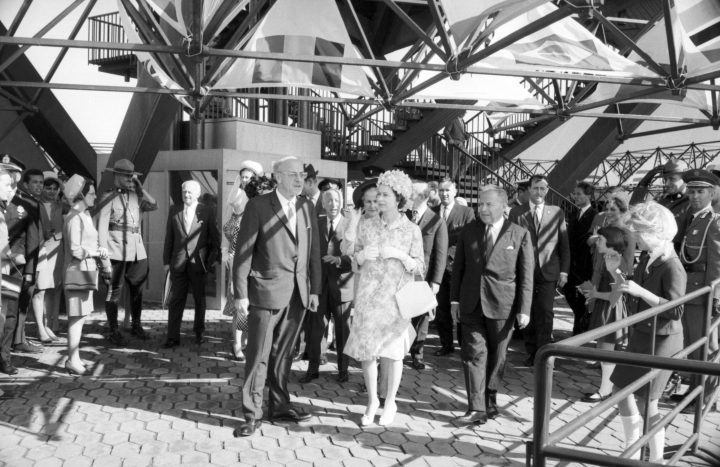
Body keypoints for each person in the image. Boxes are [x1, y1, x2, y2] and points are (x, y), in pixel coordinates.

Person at [232, 156, 321, 437]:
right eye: (293, 174)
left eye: (302, 174)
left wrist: (315, 289)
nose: (299, 179)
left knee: (284, 355)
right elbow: (243, 253)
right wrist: (240, 295)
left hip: (299, 294)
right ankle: (252, 414)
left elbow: (314, 253)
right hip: (265, 292)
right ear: (277, 176)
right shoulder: (258, 206)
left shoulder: (307, 206)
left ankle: (279, 406)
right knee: (258, 356)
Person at [344, 169, 424, 427]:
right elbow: (354, 261)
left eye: (384, 194)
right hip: (368, 298)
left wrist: (401, 256)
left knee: (392, 354)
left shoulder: (411, 230)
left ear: (398, 198)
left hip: (395, 301)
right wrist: (361, 256)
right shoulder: (366, 225)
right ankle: (372, 401)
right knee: (368, 354)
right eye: (378, 194)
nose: (379, 199)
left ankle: (390, 402)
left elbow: (419, 266)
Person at [450, 185, 533, 424]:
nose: (483, 209)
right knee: (474, 353)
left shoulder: (519, 233)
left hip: (503, 305)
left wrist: (524, 309)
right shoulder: (469, 231)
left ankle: (490, 397)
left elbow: (526, 275)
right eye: (480, 204)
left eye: (489, 204)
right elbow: (459, 269)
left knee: (498, 356)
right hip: (471, 303)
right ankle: (476, 407)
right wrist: (455, 299)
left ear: (504, 206)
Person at [612, 201, 686, 462]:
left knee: (648, 401)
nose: (635, 238)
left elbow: (676, 310)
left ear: (653, 233)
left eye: (638, 233)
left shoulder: (672, 265)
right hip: (643, 334)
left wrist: (640, 291)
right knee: (619, 388)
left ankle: (656, 459)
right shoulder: (649, 257)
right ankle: (632, 446)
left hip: (662, 338)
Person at [508, 174, 570, 366]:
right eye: (536, 188)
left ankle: (543, 353)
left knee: (545, 311)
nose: (539, 192)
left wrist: (564, 271)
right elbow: (512, 241)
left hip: (549, 271)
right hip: (525, 270)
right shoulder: (517, 212)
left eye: (543, 188)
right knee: (527, 310)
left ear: (547, 191)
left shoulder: (556, 212)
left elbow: (564, 244)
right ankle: (531, 350)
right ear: (529, 190)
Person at [97, 159, 158, 345]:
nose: (129, 178)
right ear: (116, 175)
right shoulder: (108, 196)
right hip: (116, 249)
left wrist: (140, 188)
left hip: (137, 250)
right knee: (114, 291)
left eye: (131, 175)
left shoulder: (135, 196)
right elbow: (101, 227)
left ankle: (136, 324)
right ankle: (113, 329)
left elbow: (154, 204)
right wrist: (103, 256)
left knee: (137, 289)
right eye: (126, 175)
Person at [675, 169, 720, 411]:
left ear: (711, 193)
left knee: (707, 346)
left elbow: (718, 263)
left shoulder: (714, 221)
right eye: (691, 191)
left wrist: (716, 295)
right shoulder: (695, 218)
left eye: (700, 191)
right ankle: (694, 391)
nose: (694, 196)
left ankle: (705, 400)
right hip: (691, 290)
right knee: (694, 344)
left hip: (704, 291)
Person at [301, 188, 354, 383]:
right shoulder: (316, 223)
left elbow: (358, 253)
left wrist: (340, 260)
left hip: (342, 286)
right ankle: (312, 369)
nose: (333, 204)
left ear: (342, 203)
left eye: (336, 200)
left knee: (343, 331)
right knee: (316, 329)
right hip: (320, 287)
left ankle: (343, 370)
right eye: (329, 200)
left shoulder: (351, 224)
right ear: (323, 204)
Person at [62, 175, 111, 375]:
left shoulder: (84, 215)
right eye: (91, 193)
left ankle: (73, 357)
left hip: (86, 271)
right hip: (77, 271)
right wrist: (97, 252)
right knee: (76, 317)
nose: (94, 197)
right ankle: (72, 360)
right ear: (81, 194)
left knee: (80, 317)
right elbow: (75, 249)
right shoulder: (74, 217)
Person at [580, 225, 633, 402]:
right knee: (605, 348)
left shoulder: (613, 260)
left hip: (610, 309)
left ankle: (605, 390)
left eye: (600, 239)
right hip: (607, 307)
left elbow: (617, 294)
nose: (597, 242)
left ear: (611, 242)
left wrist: (595, 294)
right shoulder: (609, 257)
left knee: (606, 349)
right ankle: (606, 388)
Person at [163, 180, 220, 347]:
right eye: (184, 192)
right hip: (178, 262)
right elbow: (169, 238)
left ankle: (199, 332)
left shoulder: (207, 211)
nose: (186, 195)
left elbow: (214, 238)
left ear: (197, 194)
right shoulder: (174, 210)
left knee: (199, 299)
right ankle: (173, 336)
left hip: (198, 263)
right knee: (176, 299)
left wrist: (211, 261)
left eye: (189, 192)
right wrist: (166, 262)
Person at [222, 161, 264, 361]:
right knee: (239, 301)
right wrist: (227, 251)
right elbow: (228, 228)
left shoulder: (260, 201)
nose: (245, 180)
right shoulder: (237, 200)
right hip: (237, 259)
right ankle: (237, 343)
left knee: (253, 303)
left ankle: (247, 340)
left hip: (256, 260)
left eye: (249, 177)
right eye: (243, 177)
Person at [433, 178, 475, 357]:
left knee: (459, 308)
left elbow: (470, 240)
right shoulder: (432, 212)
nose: (444, 193)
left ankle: (464, 346)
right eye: (441, 190)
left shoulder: (466, 212)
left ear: (455, 192)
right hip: (437, 269)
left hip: (457, 268)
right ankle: (446, 345)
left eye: (448, 190)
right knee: (442, 309)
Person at [408, 182, 447, 370]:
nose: (408, 195)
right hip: (402, 275)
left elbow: (440, 253)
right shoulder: (403, 216)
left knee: (422, 316)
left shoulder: (436, 220)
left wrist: (436, 281)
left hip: (424, 276)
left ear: (422, 196)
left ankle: (417, 354)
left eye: (412, 193)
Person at [32, 172, 65, 342]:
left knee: (55, 287)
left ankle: (53, 323)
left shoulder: (61, 205)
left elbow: (75, 198)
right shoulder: (36, 204)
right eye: (48, 187)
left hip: (58, 249)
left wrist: (63, 188)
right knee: (41, 288)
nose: (52, 191)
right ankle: (41, 326)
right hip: (43, 248)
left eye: (54, 188)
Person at [564, 181, 598, 335]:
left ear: (588, 196)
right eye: (575, 194)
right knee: (569, 293)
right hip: (572, 263)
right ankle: (582, 323)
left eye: (579, 194)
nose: (575, 196)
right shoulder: (573, 214)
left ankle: (579, 328)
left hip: (585, 264)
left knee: (583, 297)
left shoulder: (595, 215)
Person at [0, 166, 19, 375]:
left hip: (6, 273)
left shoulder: (2, 209)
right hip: (3, 270)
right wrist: (11, 255)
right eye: (6, 185)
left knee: (4, 318)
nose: (10, 189)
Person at [656, 159, 690, 251]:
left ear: (685, 179)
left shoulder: (692, 203)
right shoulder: (661, 200)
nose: (667, 183)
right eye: (665, 179)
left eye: (672, 179)